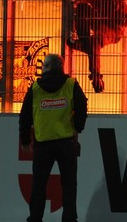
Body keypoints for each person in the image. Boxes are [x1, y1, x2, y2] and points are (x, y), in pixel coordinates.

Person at [19, 54, 88, 222]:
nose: (42, 69)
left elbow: (25, 116)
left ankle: (35, 218)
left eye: (43, 67)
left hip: (43, 144)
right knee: (69, 184)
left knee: (39, 184)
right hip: (66, 143)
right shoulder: (71, 85)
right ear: (61, 67)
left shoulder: (35, 88)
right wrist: (78, 127)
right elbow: (82, 105)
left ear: (48, 68)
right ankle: (69, 218)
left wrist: (25, 140)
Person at [66, 0, 126, 93]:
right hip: (101, 23)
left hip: (115, 27)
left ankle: (96, 76)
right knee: (82, 6)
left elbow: (113, 8)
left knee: (95, 40)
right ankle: (85, 42)